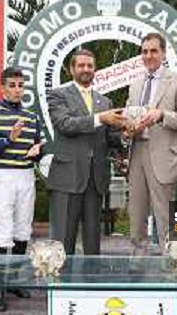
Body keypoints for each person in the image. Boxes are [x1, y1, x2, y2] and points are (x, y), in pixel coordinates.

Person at [0, 68, 43, 311]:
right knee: (2, 231)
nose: (17, 90)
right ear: (2, 88)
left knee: (23, 230)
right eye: (12, 85)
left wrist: (39, 152)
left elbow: (38, 147)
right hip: (3, 176)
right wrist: (8, 139)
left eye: (20, 85)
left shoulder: (32, 116)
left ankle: (14, 281)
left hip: (26, 175)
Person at [47, 49, 124, 255]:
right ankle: (61, 285)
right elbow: (65, 125)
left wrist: (126, 135)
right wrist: (100, 119)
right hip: (67, 177)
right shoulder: (58, 95)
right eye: (81, 65)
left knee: (93, 241)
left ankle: (91, 283)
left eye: (90, 66)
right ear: (71, 69)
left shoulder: (104, 102)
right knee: (64, 240)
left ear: (95, 69)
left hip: (96, 178)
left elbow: (109, 138)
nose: (86, 69)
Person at [125, 32, 177, 253]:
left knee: (164, 216)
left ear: (163, 53)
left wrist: (161, 115)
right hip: (137, 154)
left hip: (164, 157)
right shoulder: (135, 85)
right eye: (144, 51)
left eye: (154, 50)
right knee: (136, 215)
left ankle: (171, 262)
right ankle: (139, 262)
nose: (149, 55)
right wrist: (126, 130)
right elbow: (128, 117)